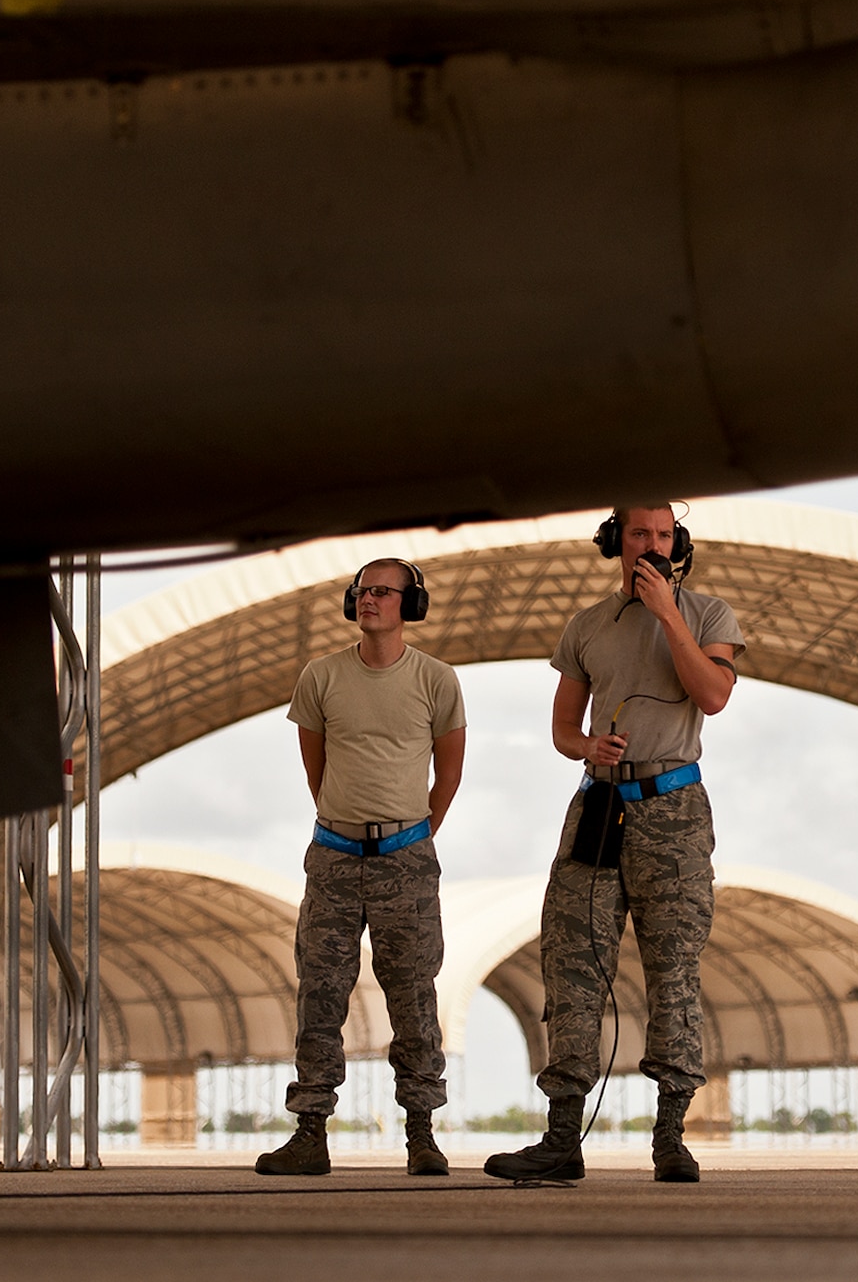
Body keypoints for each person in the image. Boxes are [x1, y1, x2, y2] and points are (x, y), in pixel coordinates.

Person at [485, 504, 742, 1184]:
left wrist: (669, 616)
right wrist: (585, 746)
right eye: (639, 535)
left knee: (673, 968)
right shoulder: (588, 626)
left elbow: (713, 693)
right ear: (616, 543)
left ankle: (671, 1135)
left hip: (674, 809)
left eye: (664, 535)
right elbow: (563, 727)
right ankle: (561, 1133)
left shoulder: (709, 614)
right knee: (569, 960)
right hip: (599, 804)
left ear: (677, 543)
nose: (653, 545)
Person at [256, 558, 466, 1178]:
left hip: (407, 859)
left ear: (411, 604)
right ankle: (310, 1132)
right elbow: (315, 769)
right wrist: (351, 824)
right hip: (334, 857)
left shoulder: (437, 679)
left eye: (382, 591)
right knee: (320, 994)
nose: (368, 599)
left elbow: (448, 774)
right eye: (361, 591)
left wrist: (411, 835)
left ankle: (423, 1134)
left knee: (414, 996)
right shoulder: (320, 677)